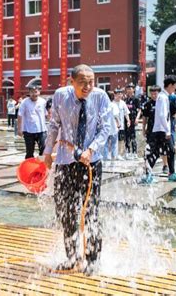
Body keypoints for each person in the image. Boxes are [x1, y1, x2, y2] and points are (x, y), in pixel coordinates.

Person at [44, 64, 111, 275]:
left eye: (91, 81)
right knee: (65, 212)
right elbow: (54, 124)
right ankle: (72, 257)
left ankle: (93, 261)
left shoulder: (101, 97)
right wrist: (47, 151)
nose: (88, 86)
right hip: (65, 161)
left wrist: (91, 150)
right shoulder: (60, 96)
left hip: (91, 162)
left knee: (90, 211)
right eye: (82, 82)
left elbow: (106, 128)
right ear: (71, 81)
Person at [141, 76, 176, 184]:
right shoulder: (164, 97)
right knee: (170, 151)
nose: (175, 89)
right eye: (175, 87)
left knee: (157, 152)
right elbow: (162, 115)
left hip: (159, 129)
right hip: (162, 130)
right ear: (170, 85)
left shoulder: (163, 96)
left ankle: (149, 175)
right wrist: (168, 131)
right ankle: (171, 174)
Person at [18, 84, 47, 159]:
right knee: (30, 151)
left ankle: (42, 166)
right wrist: (19, 129)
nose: (34, 94)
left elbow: (47, 114)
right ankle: (29, 167)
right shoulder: (24, 102)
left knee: (44, 148)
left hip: (42, 130)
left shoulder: (43, 102)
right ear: (29, 93)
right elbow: (20, 115)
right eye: (32, 92)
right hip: (28, 130)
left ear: (39, 92)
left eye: (36, 92)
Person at [124, 84, 141, 159]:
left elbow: (140, 109)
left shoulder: (136, 99)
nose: (129, 90)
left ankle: (134, 152)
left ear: (133, 90)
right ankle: (127, 151)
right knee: (126, 136)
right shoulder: (125, 99)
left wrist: (137, 118)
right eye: (128, 88)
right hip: (126, 120)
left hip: (133, 119)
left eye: (131, 88)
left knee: (133, 136)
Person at [113, 88, 130, 159]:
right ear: (114, 95)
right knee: (114, 140)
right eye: (118, 94)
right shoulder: (112, 103)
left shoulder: (123, 103)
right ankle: (114, 154)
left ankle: (120, 154)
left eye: (120, 94)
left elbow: (126, 113)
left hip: (121, 125)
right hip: (113, 126)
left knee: (121, 140)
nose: (119, 95)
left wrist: (128, 120)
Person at [103, 91, 120, 161]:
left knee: (105, 144)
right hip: (113, 128)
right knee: (114, 143)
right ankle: (114, 156)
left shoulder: (104, 105)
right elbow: (116, 116)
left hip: (105, 128)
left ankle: (106, 157)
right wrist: (119, 123)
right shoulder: (113, 105)